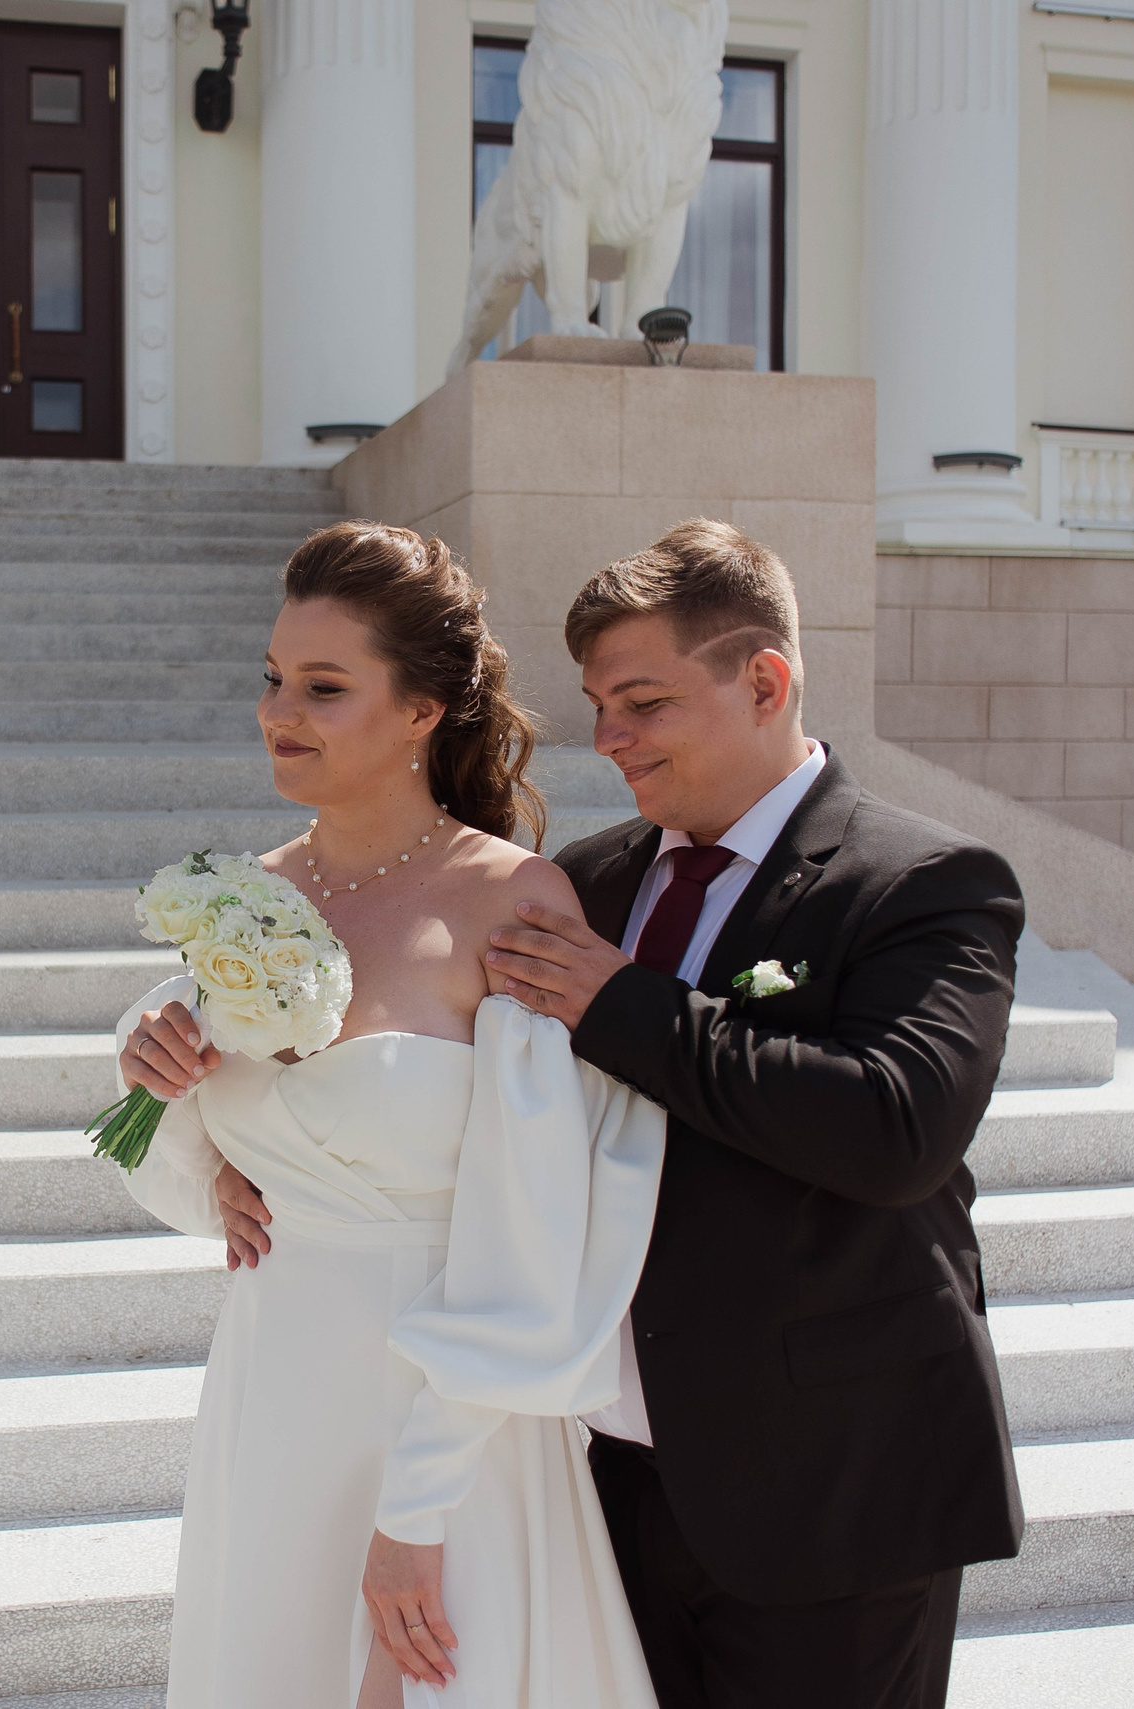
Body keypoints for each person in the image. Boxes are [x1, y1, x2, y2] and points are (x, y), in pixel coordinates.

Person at [113, 520, 669, 1709]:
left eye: (324, 686)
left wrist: (418, 1507)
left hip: (449, 1414)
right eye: (272, 678)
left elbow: (542, 1229)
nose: (281, 709)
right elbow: (192, 1153)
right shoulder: (244, 902)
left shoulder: (511, 900)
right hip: (275, 1388)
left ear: (422, 710)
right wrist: (173, 1110)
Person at [473, 518, 1026, 1709]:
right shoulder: (594, 879)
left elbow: (895, 1127)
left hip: (838, 1485)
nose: (606, 737)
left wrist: (625, 1003)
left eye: (642, 702)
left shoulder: (927, 881)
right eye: (596, 703)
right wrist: (241, 1128)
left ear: (764, 680)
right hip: (615, 1469)